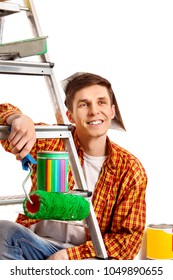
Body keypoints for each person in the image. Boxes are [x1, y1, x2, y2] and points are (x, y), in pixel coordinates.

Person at [0, 72, 147, 260]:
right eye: (84, 104)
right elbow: (2, 112)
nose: (94, 111)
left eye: (101, 102)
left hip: (83, 258)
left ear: (112, 111)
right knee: (3, 231)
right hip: (33, 245)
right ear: (69, 115)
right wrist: (17, 119)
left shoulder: (130, 169)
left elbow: (128, 240)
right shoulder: (51, 142)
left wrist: (70, 256)